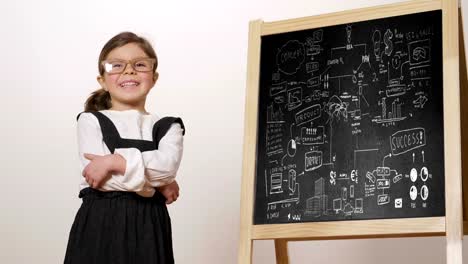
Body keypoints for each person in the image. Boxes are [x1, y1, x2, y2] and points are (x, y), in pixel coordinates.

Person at [64, 32, 185, 264]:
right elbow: (100, 181)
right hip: (100, 223)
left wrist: (114, 162)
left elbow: (167, 168)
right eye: (116, 65)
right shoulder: (90, 121)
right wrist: (155, 184)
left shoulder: (169, 126)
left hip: (150, 225)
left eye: (140, 65)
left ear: (154, 77)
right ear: (102, 80)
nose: (129, 71)